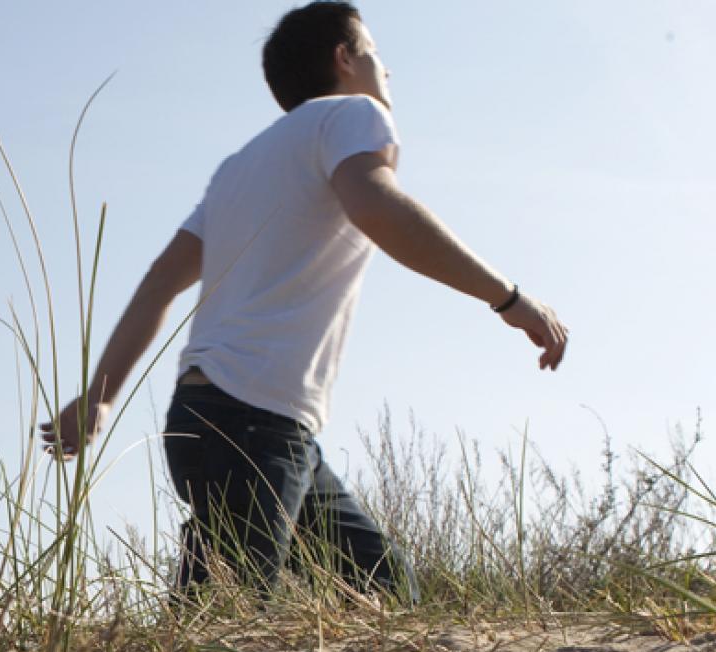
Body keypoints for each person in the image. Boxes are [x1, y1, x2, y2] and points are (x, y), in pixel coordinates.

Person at [39, 2, 568, 601]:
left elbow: (161, 279)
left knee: (392, 593)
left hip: (231, 421)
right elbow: (375, 206)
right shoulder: (355, 113)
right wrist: (508, 299)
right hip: (249, 421)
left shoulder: (239, 166)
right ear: (345, 59)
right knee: (221, 635)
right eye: (374, 54)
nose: (386, 72)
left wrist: (101, 395)